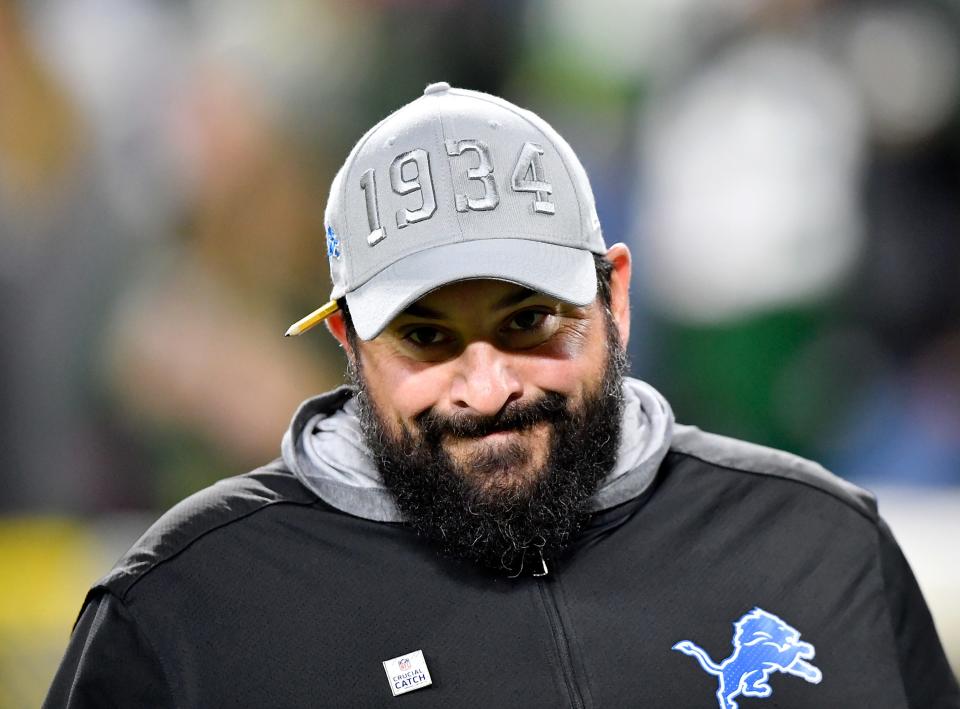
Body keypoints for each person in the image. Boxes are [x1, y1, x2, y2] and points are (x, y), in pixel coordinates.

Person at [45, 82, 958, 708]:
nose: (488, 388)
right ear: (349, 345)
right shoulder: (190, 607)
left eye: (528, 321)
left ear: (617, 298)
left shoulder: (822, 547)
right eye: (427, 336)